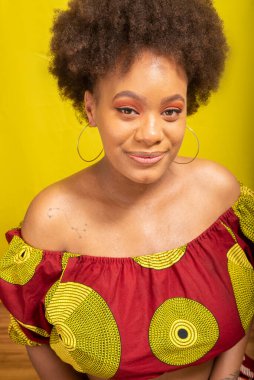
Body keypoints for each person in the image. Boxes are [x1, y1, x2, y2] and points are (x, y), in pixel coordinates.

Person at [0, 0, 253, 379]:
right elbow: (34, 336)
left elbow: (242, 305)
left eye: (170, 111)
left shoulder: (221, 192)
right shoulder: (51, 220)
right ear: (90, 108)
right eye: (127, 110)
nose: (152, 134)